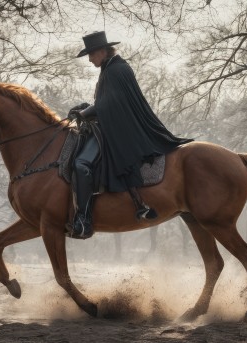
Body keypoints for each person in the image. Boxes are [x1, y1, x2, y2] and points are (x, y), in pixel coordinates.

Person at [67, 31, 192, 239]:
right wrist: (86, 108)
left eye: (91, 54)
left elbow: (112, 103)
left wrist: (87, 112)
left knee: (81, 164)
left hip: (122, 132)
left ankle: (83, 218)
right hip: (113, 127)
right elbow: (107, 102)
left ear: (101, 51)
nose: (89, 59)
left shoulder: (117, 70)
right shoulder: (110, 69)